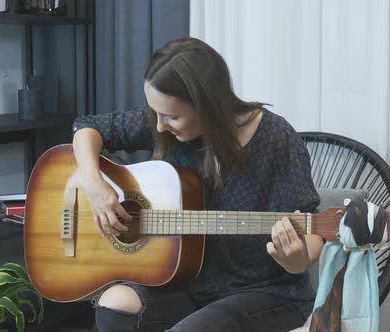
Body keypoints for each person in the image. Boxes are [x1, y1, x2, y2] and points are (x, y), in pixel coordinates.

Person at [71, 37, 324, 332]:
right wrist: (94, 183)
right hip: (187, 287)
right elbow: (87, 127)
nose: (159, 126)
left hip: (267, 294)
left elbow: (313, 227)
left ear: (208, 105)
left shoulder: (276, 138)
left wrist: (296, 259)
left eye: (172, 116)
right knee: (114, 302)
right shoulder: (163, 124)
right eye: (155, 113)